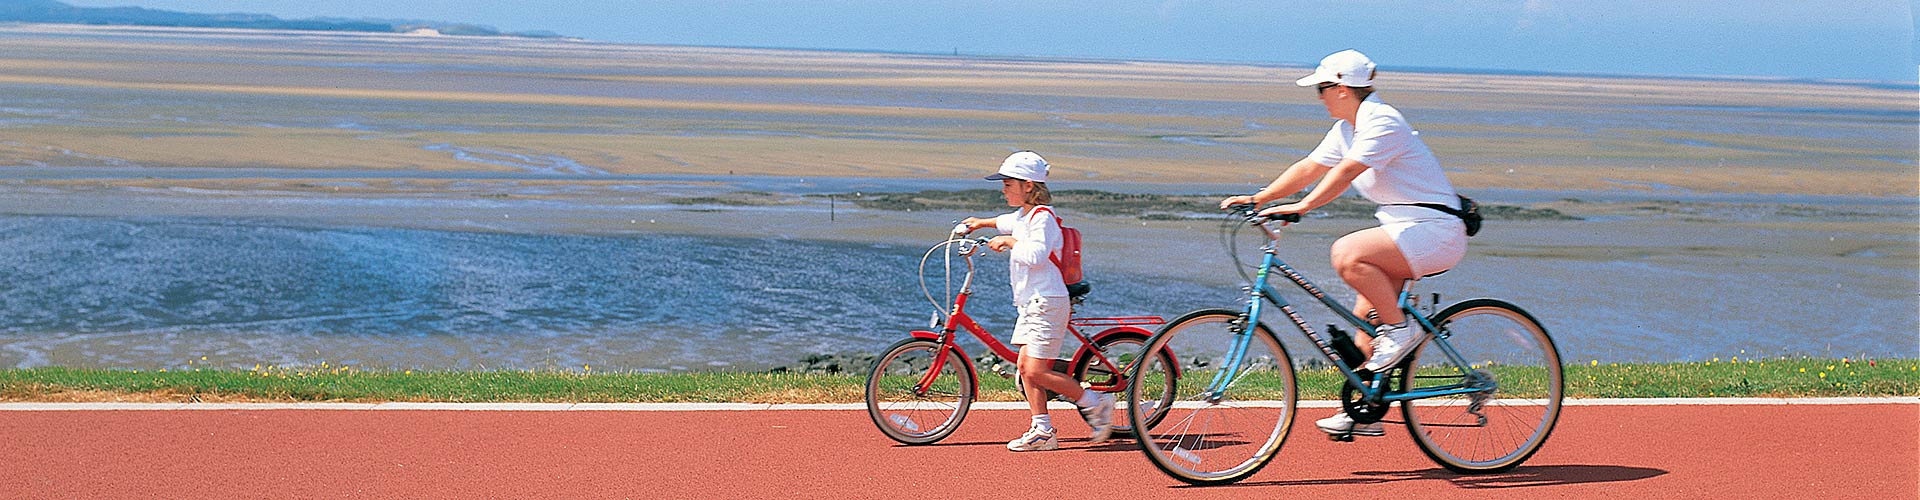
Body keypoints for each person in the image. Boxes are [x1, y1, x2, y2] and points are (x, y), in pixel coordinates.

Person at [1217, 50, 1469, 438]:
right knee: (1365, 324)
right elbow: (1309, 167)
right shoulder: (1348, 127)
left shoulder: (1381, 121)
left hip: (1433, 230)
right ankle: (1364, 407)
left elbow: (1348, 170)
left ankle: (1402, 331)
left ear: (1341, 88)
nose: (1318, 97)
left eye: (1321, 88)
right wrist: (1259, 199)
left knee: (1347, 254)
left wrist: (1301, 207)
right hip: (1405, 228)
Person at [960, 151, 1116, 451]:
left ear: (1028, 186)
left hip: (1047, 301)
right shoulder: (1025, 215)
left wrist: (1008, 242)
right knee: (1024, 367)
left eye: (1008, 184)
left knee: (1035, 371)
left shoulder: (1042, 218)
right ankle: (1042, 430)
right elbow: (1006, 221)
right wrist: (981, 223)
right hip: (1031, 302)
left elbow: (1035, 254)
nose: (1003, 189)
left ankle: (1095, 403)